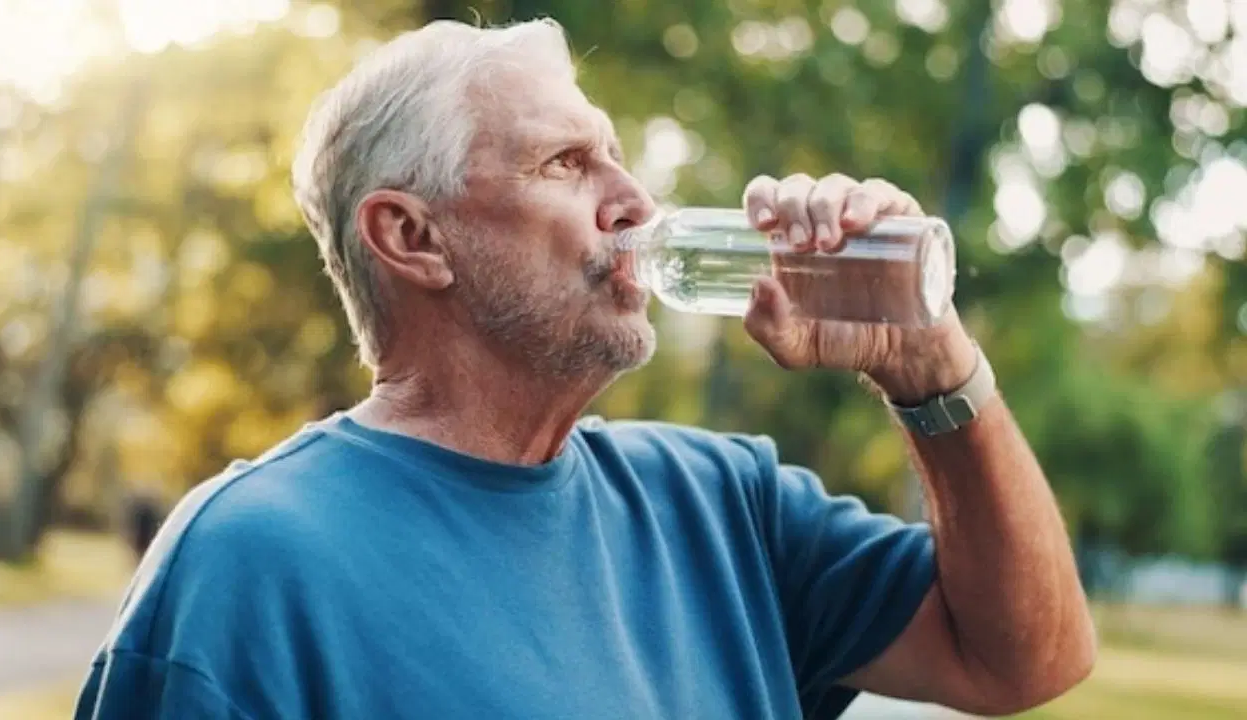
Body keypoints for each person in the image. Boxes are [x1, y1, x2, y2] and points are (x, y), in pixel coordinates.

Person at [73, 18, 1095, 720]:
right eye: (565, 163)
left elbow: (1024, 660)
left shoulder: (722, 505)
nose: (635, 201)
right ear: (412, 237)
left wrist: (929, 366)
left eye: (613, 154)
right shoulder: (250, 564)